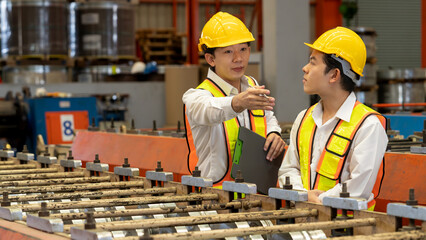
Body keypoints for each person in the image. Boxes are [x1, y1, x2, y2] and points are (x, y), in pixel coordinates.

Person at [278, 27, 388, 210]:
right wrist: (304, 195)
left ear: (334, 75)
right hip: (304, 223)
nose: (304, 68)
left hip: (349, 231)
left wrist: (315, 201)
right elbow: (288, 170)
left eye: (313, 62)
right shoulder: (304, 118)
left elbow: (357, 188)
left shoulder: (367, 126)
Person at [183, 12, 285, 186]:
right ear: (211, 59)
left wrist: (274, 133)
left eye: (243, 49)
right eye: (228, 51)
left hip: (255, 194)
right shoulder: (196, 97)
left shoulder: (252, 86)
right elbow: (210, 110)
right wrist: (237, 102)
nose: (238, 58)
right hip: (215, 199)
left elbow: (268, 118)